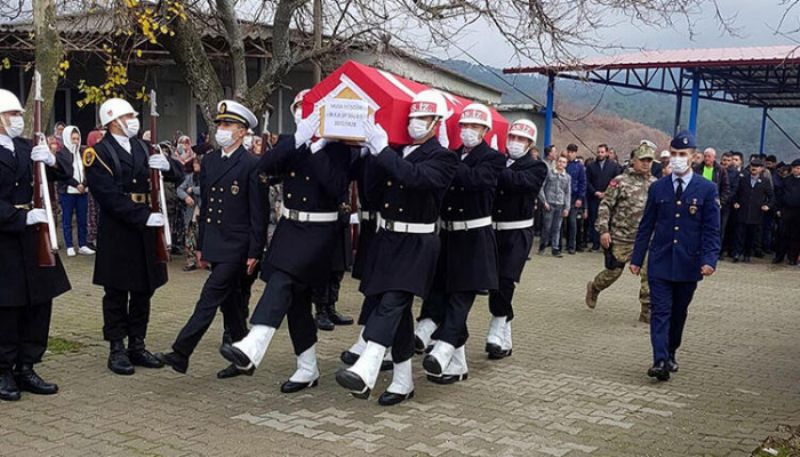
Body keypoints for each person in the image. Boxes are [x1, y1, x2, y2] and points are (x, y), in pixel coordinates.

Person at [218, 109, 356, 394]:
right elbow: (263, 168)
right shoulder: (293, 141)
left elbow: (336, 186)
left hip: (320, 232)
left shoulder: (341, 148)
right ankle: (307, 367)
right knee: (297, 304)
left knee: (282, 280)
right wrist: (297, 142)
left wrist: (317, 150)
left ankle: (254, 343)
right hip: (290, 228)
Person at [335, 90, 458, 405]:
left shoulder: (443, 158)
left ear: (436, 122)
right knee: (396, 312)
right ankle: (403, 381)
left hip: (418, 241)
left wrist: (382, 151)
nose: (416, 124)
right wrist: (370, 155)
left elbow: (416, 179)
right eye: (413, 117)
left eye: (423, 118)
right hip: (387, 239)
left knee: (392, 301)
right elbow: (374, 195)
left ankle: (368, 365)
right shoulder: (396, 152)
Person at [156, 101, 266, 378]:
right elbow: (204, 208)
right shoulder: (211, 161)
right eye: (219, 125)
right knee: (230, 303)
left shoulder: (252, 164)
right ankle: (245, 357)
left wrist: (255, 250)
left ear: (241, 132)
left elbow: (258, 213)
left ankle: (181, 352)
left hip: (238, 245)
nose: (221, 130)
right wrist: (202, 246)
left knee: (209, 297)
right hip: (216, 241)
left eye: (227, 125)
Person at [84, 97, 184, 376]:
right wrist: (142, 216)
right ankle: (117, 347)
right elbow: (107, 196)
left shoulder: (143, 146)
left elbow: (178, 173)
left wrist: (166, 166)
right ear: (113, 120)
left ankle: (137, 344)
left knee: (143, 289)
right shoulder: (98, 152)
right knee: (116, 291)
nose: (133, 121)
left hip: (144, 229)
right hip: (118, 229)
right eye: (128, 117)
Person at [415, 103, 505, 385]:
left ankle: (443, 348)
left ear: (486, 131)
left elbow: (475, 180)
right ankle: (457, 363)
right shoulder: (450, 155)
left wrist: (446, 160)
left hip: (475, 237)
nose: (468, 131)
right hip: (447, 236)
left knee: (460, 297)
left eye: (475, 127)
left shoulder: (492, 158)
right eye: (464, 126)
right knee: (440, 292)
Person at [630, 130, 720, 382]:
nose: (678, 159)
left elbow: (711, 230)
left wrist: (709, 260)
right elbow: (646, 225)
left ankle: (670, 352)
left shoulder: (706, 189)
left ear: (693, 157)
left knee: (679, 312)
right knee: (660, 310)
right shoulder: (658, 188)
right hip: (660, 261)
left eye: (683, 154)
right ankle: (659, 359)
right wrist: (637, 258)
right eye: (675, 155)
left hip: (688, 263)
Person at [0, 88, 72, 401]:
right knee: (8, 307)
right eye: (12, 115)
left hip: (34, 237)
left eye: (18, 114)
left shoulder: (26, 145)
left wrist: (52, 159)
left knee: (39, 303)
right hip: (6, 236)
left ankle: (27, 364)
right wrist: (19, 218)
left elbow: (63, 174)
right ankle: (3, 369)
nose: (18, 120)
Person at [486, 119, 547, 359]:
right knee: (494, 283)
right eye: (512, 137)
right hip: (493, 230)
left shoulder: (537, 167)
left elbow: (517, 183)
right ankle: (504, 337)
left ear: (530, 143)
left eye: (521, 139)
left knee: (505, 280)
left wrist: (493, 162)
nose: (514, 143)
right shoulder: (500, 161)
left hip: (517, 232)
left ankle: (496, 326)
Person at [586, 144, 656, 323]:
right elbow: (605, 205)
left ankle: (647, 311)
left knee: (649, 274)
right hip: (620, 237)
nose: (646, 164)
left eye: (649, 160)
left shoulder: (655, 184)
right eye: (643, 160)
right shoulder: (620, 181)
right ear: (634, 161)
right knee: (613, 272)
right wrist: (603, 230)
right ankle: (595, 287)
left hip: (646, 239)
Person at [57, 126, 94, 257]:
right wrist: (75, 184)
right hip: (67, 192)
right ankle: (69, 245)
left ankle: (82, 244)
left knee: (82, 219)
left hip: (82, 192)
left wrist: (84, 184)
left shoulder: (83, 152)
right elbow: (62, 174)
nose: (76, 141)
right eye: (73, 139)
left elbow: (89, 169)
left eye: (77, 138)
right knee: (67, 219)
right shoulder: (61, 154)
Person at [731, 157, 774, 263]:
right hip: (742, 211)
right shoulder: (743, 179)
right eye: (752, 166)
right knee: (739, 234)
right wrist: (735, 202)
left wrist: (767, 205)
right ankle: (737, 253)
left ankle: (747, 254)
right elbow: (735, 192)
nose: (754, 168)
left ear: (761, 168)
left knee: (751, 235)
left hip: (756, 213)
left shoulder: (765, 181)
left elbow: (772, 196)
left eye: (756, 166)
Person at [586, 144, 622, 250]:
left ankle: (607, 244)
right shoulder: (591, 166)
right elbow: (587, 181)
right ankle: (595, 243)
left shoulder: (613, 166)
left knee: (608, 220)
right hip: (594, 198)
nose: (600, 154)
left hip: (609, 198)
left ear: (606, 153)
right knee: (594, 220)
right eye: (598, 152)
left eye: (602, 152)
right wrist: (595, 192)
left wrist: (608, 192)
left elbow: (616, 180)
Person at [537, 155, 571, 257]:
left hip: (560, 204)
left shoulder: (567, 177)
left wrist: (567, 207)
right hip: (549, 203)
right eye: (560, 161)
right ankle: (543, 245)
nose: (561, 164)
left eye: (564, 162)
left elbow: (567, 192)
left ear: (566, 164)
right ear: (556, 162)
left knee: (557, 227)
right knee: (547, 226)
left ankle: (555, 248)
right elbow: (541, 187)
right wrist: (544, 201)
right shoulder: (549, 173)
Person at [773, 159, 800, 265]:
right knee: (782, 234)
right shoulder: (786, 180)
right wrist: (778, 209)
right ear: (792, 169)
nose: (798, 170)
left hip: (798, 212)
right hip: (786, 211)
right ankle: (779, 256)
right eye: (796, 168)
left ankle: (792, 257)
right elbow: (779, 196)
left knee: (796, 236)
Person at [178, 156, 202, 271]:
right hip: (191, 211)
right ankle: (191, 261)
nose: (195, 165)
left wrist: (193, 190)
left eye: (197, 163)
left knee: (202, 235)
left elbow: (207, 188)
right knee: (190, 235)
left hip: (202, 210)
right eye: (194, 163)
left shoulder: (207, 176)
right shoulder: (190, 177)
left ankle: (204, 261)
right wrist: (186, 197)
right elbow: (180, 189)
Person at [565, 144, 586, 254]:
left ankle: (572, 246)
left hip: (574, 197)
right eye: (568, 152)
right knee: (565, 223)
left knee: (573, 222)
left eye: (572, 152)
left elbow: (583, 183)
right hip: (564, 196)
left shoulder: (579, 166)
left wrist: (580, 198)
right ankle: (563, 243)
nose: (569, 154)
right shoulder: (565, 164)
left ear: (575, 153)